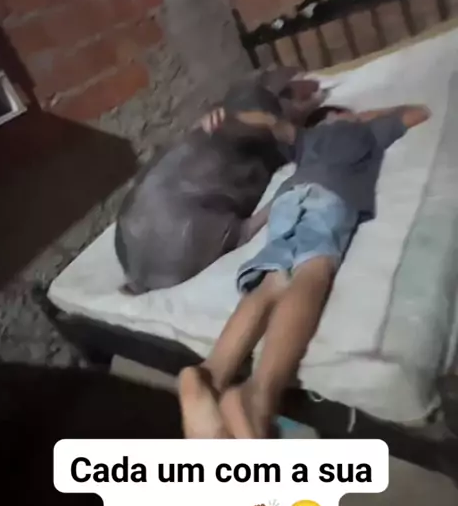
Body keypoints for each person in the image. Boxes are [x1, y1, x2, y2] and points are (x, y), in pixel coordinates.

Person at [178, 102, 431, 439]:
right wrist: (362, 117)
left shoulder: (305, 139)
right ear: (337, 117)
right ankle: (258, 396)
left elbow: (269, 121)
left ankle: (210, 375)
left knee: (272, 280)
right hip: (331, 196)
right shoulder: (364, 131)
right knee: (314, 269)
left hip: (287, 200)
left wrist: (228, 117)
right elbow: (419, 112)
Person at [115, 68, 324, 294]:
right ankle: (243, 228)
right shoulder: (258, 128)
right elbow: (284, 128)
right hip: (174, 241)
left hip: (134, 243)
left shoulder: (220, 123)